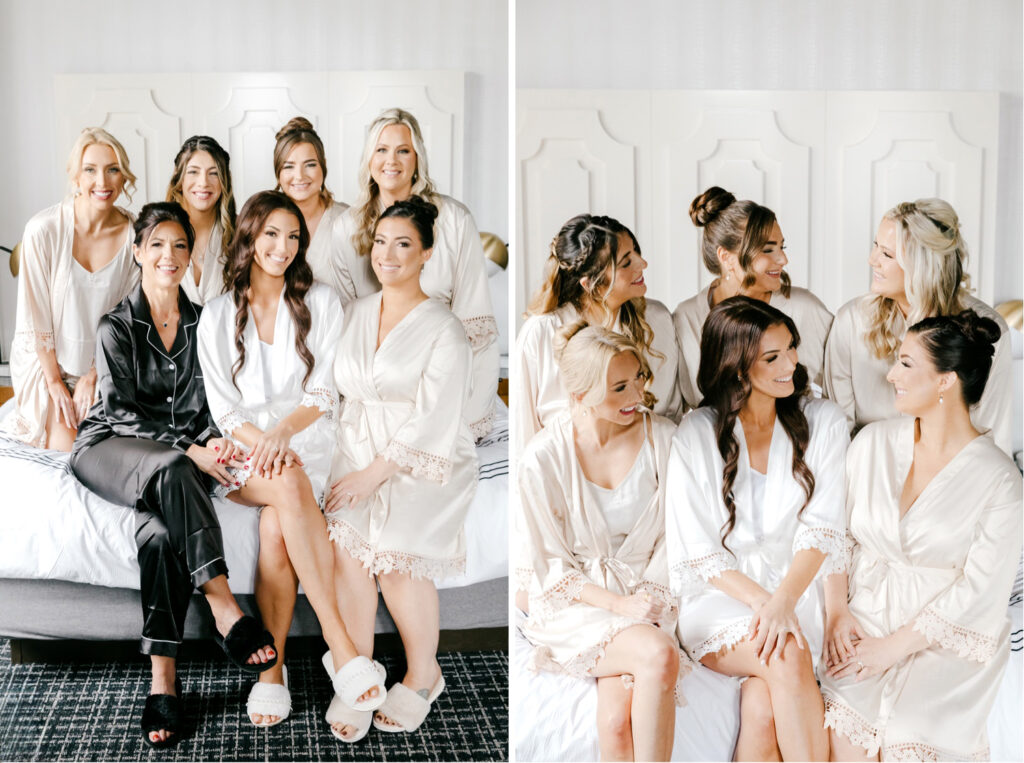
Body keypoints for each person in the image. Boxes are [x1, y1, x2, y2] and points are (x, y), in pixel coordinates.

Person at [69, 202, 278, 748]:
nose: (169, 255)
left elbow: (214, 400)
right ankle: (224, 604)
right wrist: (190, 448)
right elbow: (121, 415)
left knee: (160, 534)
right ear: (137, 252)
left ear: (190, 256)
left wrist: (212, 442)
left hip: (175, 465)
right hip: (110, 446)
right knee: (172, 463)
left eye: (180, 245)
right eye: (157, 244)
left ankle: (163, 678)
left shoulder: (205, 321)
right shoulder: (116, 325)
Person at [196, 190, 385, 731]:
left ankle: (270, 670)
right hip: (242, 451)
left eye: (293, 237)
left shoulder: (321, 301)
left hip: (308, 441)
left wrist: (282, 435)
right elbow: (225, 413)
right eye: (271, 234)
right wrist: (267, 442)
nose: (282, 247)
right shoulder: (215, 314)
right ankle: (339, 641)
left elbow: (323, 393)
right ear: (250, 237)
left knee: (279, 526)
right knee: (284, 480)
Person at [820, 310, 1022, 762]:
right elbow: (836, 537)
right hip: (863, 618)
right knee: (845, 736)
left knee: (912, 736)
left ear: (946, 381)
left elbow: (980, 591)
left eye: (906, 364)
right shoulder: (870, 444)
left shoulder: (1000, 481)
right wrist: (836, 613)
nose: (891, 375)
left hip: (942, 639)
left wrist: (892, 649)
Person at [666, 297, 847, 761]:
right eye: (773, 357)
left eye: (791, 349)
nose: (792, 364)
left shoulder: (823, 420)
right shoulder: (696, 433)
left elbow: (823, 529)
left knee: (763, 709)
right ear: (738, 369)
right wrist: (765, 606)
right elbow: (701, 552)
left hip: (799, 594)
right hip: (722, 602)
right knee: (785, 652)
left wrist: (783, 601)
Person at [324, 198, 478, 742]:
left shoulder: (445, 328)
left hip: (423, 455)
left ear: (426, 254)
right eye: (382, 242)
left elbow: (436, 418)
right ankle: (359, 670)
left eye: (404, 244)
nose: (388, 254)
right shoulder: (357, 312)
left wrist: (374, 474)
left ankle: (422, 674)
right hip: (357, 443)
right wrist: (351, 465)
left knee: (393, 557)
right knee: (346, 543)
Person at [518, 322, 689, 762]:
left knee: (616, 725)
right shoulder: (543, 458)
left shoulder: (664, 440)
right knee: (656, 656)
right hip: (578, 607)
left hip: (650, 594)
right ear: (580, 395)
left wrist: (645, 600)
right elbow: (550, 565)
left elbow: (677, 537)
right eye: (619, 388)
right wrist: (619, 607)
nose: (637, 396)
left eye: (639, 379)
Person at [329, 108, 499, 440]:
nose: (391, 160)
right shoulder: (346, 229)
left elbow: (476, 328)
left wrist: (463, 421)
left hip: (441, 376)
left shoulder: (453, 221)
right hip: (373, 388)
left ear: (417, 158)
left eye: (403, 150)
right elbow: (344, 331)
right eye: (381, 150)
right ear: (369, 159)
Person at [823, 198, 1012, 455]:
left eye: (887, 254)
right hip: (868, 473)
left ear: (920, 267)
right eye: (876, 246)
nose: (872, 260)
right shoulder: (851, 322)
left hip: (954, 476)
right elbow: (837, 435)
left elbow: (991, 435)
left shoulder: (985, 330)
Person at [3, 127, 139, 450]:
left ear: (124, 178)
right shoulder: (43, 231)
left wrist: (93, 375)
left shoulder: (136, 236)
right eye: (90, 170)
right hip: (46, 363)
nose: (102, 182)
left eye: (112, 170)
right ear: (75, 176)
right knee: (69, 450)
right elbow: (36, 322)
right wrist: (55, 385)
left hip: (102, 364)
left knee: (110, 449)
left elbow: (126, 318)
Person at [515, 213, 683, 456]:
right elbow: (525, 438)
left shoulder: (657, 319)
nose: (642, 264)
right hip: (566, 475)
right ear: (590, 283)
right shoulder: (541, 332)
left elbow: (671, 417)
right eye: (626, 262)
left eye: (636, 252)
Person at [673, 187, 833, 409]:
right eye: (768, 250)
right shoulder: (686, 319)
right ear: (726, 257)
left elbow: (836, 394)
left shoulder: (806, 310)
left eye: (781, 247)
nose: (783, 259)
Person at [272, 117, 349, 286]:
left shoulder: (348, 220)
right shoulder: (265, 221)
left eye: (310, 165)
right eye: (288, 166)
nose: (299, 176)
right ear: (278, 173)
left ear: (323, 166)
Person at [165, 135, 236, 305]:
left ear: (223, 181)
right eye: (193, 172)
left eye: (214, 173)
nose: (203, 182)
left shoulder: (241, 231)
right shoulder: (156, 233)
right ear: (179, 179)